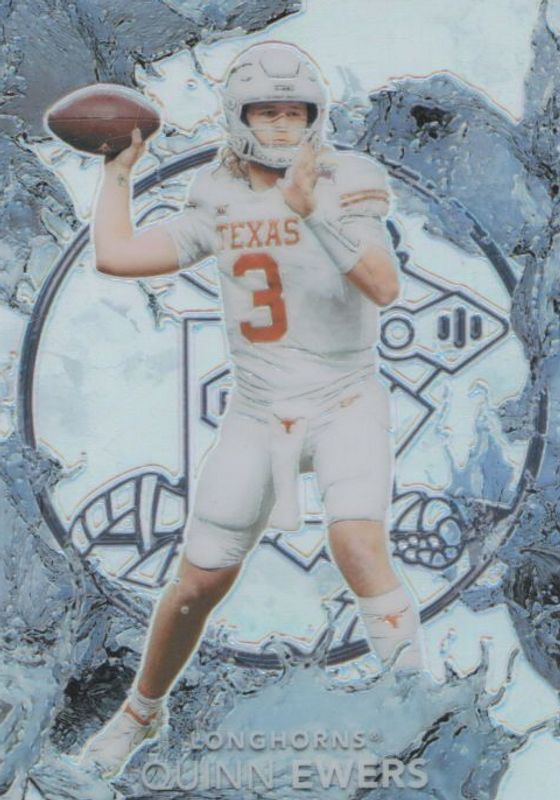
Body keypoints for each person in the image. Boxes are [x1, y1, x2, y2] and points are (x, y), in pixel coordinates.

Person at [79, 41, 427, 779]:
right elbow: (117, 256)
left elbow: (384, 285)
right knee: (197, 583)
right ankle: (141, 711)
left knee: (357, 542)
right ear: (238, 117)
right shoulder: (216, 192)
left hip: (344, 397)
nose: (281, 126)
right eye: (266, 112)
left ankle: (418, 707)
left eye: (294, 112)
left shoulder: (346, 178)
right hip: (259, 409)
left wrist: (312, 211)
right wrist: (117, 175)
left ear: (316, 115)